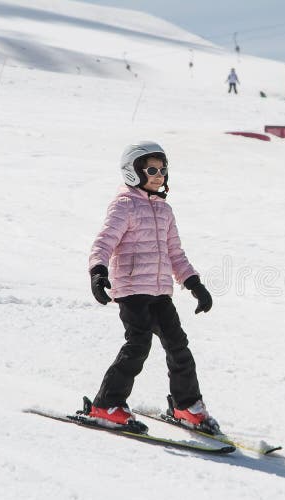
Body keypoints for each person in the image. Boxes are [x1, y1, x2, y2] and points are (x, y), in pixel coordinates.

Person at [86, 141, 218, 433]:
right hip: (132, 290)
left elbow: (175, 254)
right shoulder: (124, 205)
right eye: (152, 169)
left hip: (160, 292)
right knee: (138, 345)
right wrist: (98, 272)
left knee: (178, 347)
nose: (159, 175)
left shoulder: (164, 210)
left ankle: (187, 405)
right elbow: (104, 241)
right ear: (133, 172)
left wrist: (195, 284)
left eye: (163, 169)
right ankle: (106, 404)